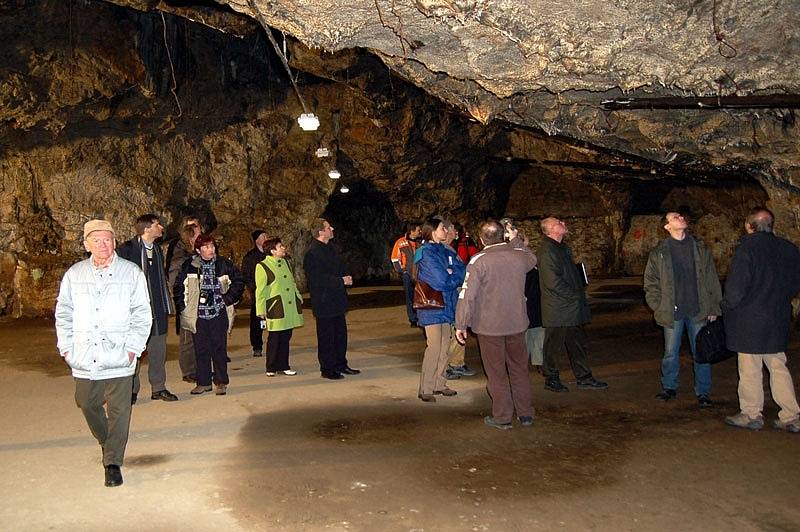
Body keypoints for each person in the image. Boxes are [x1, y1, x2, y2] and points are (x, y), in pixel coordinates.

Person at [55, 219, 152, 487]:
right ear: (86, 244)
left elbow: (142, 313)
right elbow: (64, 313)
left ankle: (112, 461)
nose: (102, 245)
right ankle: (107, 441)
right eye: (96, 240)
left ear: (114, 242)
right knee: (86, 402)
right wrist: (66, 347)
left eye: (107, 239)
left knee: (120, 410)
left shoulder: (131, 273)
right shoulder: (75, 275)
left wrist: (133, 347)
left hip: (120, 353)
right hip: (85, 354)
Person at [722, 207, 800, 432]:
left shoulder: (747, 249)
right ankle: (791, 415)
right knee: (778, 365)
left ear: (749, 226)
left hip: (750, 320)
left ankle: (751, 413)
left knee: (750, 368)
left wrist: (726, 307)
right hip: (777, 317)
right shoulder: (788, 249)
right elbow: (795, 283)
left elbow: (736, 288)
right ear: (771, 225)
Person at [456, 220, 537, 429]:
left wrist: (461, 324)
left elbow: (467, 295)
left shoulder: (478, 261)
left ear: (482, 240)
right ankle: (526, 414)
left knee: (496, 373)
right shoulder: (519, 257)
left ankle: (502, 417)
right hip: (517, 324)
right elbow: (532, 257)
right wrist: (516, 239)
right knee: (519, 369)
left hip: (489, 327)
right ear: (504, 236)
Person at [643, 212, 722, 407]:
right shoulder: (659, 253)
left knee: (701, 352)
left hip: (698, 308)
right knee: (671, 352)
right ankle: (669, 386)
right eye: (674, 217)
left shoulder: (700, 248)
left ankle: (703, 392)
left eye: (680, 216)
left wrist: (714, 307)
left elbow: (712, 278)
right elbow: (650, 283)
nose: (680, 218)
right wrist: (658, 306)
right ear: (667, 227)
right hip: (672, 311)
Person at [538, 217, 607, 392]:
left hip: (571, 307)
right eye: (559, 222)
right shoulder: (547, 251)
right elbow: (552, 281)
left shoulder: (562, 248)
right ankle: (551, 378)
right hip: (559, 308)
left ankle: (584, 377)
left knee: (577, 344)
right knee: (554, 346)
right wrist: (574, 295)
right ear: (552, 229)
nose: (563, 223)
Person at [117, 214, 178, 404]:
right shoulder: (127, 249)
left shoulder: (158, 249)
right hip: (135, 312)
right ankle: (131, 390)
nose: (161, 227)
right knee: (134, 353)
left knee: (158, 352)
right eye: (157, 224)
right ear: (146, 229)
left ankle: (158, 388)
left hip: (157, 309)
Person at [174, 234, 243, 396]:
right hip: (198, 315)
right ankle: (203, 382)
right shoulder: (189, 265)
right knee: (201, 349)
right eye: (206, 247)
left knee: (219, 349)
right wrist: (184, 308)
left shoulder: (223, 264)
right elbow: (178, 287)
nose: (210, 249)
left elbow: (238, 280)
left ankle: (221, 381)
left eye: (212, 246)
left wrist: (228, 298)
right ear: (198, 250)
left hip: (218, 313)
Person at [413, 216, 466, 402]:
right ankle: (425, 388)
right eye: (443, 228)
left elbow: (462, 269)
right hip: (432, 306)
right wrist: (451, 274)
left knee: (444, 348)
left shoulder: (445, 250)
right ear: (433, 231)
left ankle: (439, 383)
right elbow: (441, 281)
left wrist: (453, 273)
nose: (446, 231)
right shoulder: (425, 253)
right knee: (434, 347)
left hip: (446, 304)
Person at [303, 218, 360, 380]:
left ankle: (341, 364)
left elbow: (339, 268)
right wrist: (341, 281)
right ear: (321, 232)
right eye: (328, 227)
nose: (332, 228)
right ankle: (327, 369)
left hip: (337, 299)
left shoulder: (331, 248)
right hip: (324, 302)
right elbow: (317, 279)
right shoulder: (312, 253)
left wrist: (346, 276)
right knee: (327, 336)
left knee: (340, 335)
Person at [255, 236, 304, 376]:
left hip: (289, 306)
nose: (283, 248)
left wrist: (298, 296)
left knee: (286, 336)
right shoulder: (262, 266)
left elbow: (292, 283)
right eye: (280, 246)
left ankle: (284, 365)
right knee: (275, 337)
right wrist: (261, 309)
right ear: (272, 251)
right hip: (276, 306)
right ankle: (271, 367)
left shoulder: (286, 263)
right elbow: (260, 290)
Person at [167, 219, 203, 383]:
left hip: (200, 297)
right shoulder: (181, 253)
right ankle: (189, 371)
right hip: (187, 298)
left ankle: (200, 366)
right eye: (197, 235)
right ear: (190, 238)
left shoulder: (197, 252)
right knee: (187, 335)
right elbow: (175, 276)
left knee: (201, 333)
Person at [442, 220, 475, 380]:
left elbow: (456, 271)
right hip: (449, 297)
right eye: (454, 229)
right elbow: (449, 275)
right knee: (453, 331)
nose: (456, 232)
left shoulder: (449, 249)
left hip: (456, 295)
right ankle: (449, 365)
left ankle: (457, 363)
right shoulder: (441, 251)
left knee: (459, 327)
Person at [241, 229, 269, 357]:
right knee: (256, 321)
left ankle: (274, 344)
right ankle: (257, 346)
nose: (266, 238)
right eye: (263, 236)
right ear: (257, 240)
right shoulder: (250, 257)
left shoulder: (270, 254)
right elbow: (246, 275)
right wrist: (255, 289)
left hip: (272, 293)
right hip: (258, 294)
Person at [390, 222, 421, 327]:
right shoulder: (400, 242)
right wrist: (402, 271)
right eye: (418, 230)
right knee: (409, 296)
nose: (419, 232)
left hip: (419, 274)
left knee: (420, 296)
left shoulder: (419, 243)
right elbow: (394, 258)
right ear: (411, 231)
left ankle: (419, 317)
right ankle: (413, 319)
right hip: (407, 274)